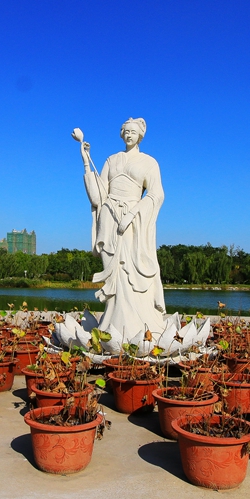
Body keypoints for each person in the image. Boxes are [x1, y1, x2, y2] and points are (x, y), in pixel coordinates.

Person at [80, 118, 166, 343]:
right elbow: (99, 197)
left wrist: (132, 214)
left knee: (132, 273)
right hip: (109, 220)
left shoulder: (149, 162)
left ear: (140, 135)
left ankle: (140, 326)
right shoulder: (112, 159)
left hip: (133, 222)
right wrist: (86, 162)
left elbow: (157, 194)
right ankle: (111, 324)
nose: (129, 135)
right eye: (125, 131)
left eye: (133, 132)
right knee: (114, 275)